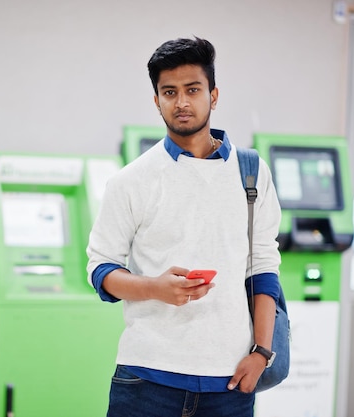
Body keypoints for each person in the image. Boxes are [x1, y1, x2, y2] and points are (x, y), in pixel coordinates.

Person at [86, 37, 282, 417]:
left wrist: (261, 352)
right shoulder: (131, 181)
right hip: (146, 380)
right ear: (156, 100)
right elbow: (101, 268)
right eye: (169, 92)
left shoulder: (252, 173)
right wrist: (155, 288)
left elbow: (263, 267)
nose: (181, 102)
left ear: (214, 94)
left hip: (230, 382)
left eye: (193, 90)